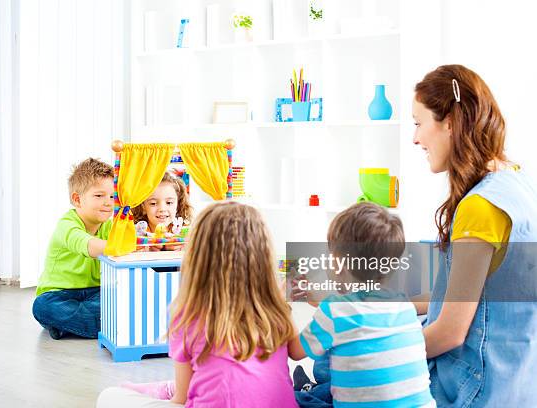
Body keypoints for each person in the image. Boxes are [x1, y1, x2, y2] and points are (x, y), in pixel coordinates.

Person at [411, 64, 537, 406]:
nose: (416, 138)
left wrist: (377, 353)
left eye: (419, 123)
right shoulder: (516, 182)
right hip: (520, 385)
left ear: (449, 121)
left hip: (476, 392)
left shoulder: (480, 207)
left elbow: (450, 333)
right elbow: (473, 298)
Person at [97, 202, 298, 408]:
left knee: (109, 396)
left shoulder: (188, 316)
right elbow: (299, 352)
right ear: (263, 258)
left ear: (197, 259)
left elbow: (182, 400)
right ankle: (165, 388)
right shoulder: (276, 312)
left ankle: (165, 389)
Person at [288, 202, 435, 407]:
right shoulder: (402, 305)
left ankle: (307, 391)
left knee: (293, 398)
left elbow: (294, 351)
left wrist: (282, 306)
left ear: (338, 264)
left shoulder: (334, 310)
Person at [32, 158, 114, 339]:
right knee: (43, 307)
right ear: (77, 199)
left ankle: (69, 326)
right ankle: (104, 325)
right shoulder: (67, 225)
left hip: (95, 292)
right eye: (99, 196)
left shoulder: (109, 227)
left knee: (118, 298)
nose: (108, 202)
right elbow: (90, 246)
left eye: (112, 196)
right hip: (58, 294)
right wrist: (123, 247)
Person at [132, 171, 193, 252]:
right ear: (143, 207)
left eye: (169, 203)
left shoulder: (186, 233)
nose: (162, 209)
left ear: (178, 205)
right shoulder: (135, 234)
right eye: (153, 203)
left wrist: (183, 249)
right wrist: (146, 250)